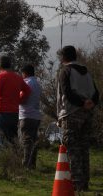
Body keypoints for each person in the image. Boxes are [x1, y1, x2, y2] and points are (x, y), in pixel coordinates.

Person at [57, 45, 99, 191]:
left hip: (71, 114)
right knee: (84, 148)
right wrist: (89, 103)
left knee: (73, 149)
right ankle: (85, 182)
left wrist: (81, 103)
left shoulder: (65, 71)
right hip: (87, 114)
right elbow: (96, 93)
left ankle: (77, 184)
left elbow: (67, 93)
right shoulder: (86, 71)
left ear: (63, 58)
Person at [0, 55, 31, 146]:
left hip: (2, 114)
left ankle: (4, 159)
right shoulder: (18, 77)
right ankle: (14, 159)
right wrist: (19, 100)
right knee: (13, 140)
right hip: (14, 114)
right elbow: (27, 90)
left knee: (1, 142)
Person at [19, 65, 42, 169]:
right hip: (36, 116)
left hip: (26, 114)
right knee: (33, 141)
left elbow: (22, 99)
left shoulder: (27, 83)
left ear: (25, 73)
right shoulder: (37, 83)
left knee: (26, 141)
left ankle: (25, 165)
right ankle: (32, 164)